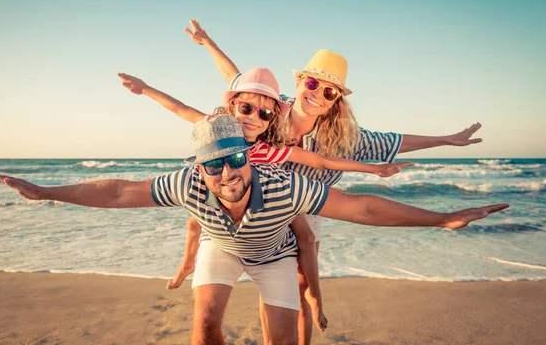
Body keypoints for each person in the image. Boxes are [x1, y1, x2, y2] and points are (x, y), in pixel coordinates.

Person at [0, 115, 507, 345]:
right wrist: (46, 191)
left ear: (249, 156)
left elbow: (363, 209)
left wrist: (442, 218)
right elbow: (120, 190)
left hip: (275, 255)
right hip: (222, 248)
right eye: (213, 165)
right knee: (205, 326)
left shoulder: (284, 187)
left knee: (282, 339)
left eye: (235, 158)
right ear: (200, 167)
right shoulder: (191, 182)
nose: (226, 173)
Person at [183, 19, 485, 344]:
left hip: (305, 207)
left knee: (298, 290)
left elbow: (395, 142)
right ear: (299, 81)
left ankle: (309, 312)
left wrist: (448, 140)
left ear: (335, 101)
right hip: (260, 199)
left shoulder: (345, 139)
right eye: (312, 83)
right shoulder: (269, 110)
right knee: (268, 288)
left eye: (329, 92)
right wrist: (208, 43)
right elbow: (236, 77)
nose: (317, 94)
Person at [119, 67, 414, 331]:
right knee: (195, 224)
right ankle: (186, 266)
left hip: (271, 200)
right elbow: (182, 109)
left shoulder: (269, 149)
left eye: (263, 113)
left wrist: (374, 168)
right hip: (224, 196)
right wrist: (145, 89)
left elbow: (322, 162)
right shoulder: (218, 128)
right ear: (233, 105)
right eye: (246, 108)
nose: (253, 117)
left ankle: (315, 296)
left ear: (271, 117)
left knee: (306, 238)